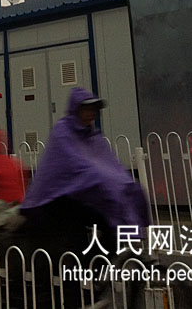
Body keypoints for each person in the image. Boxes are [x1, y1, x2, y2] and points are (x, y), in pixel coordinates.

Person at [20, 87, 149, 257]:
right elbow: (77, 165)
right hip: (57, 199)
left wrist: (124, 183)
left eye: (93, 109)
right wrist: (105, 180)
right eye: (86, 109)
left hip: (82, 195)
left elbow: (109, 164)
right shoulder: (63, 131)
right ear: (75, 109)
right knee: (76, 228)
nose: (91, 113)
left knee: (110, 220)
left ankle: (103, 264)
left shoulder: (93, 136)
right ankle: (85, 269)